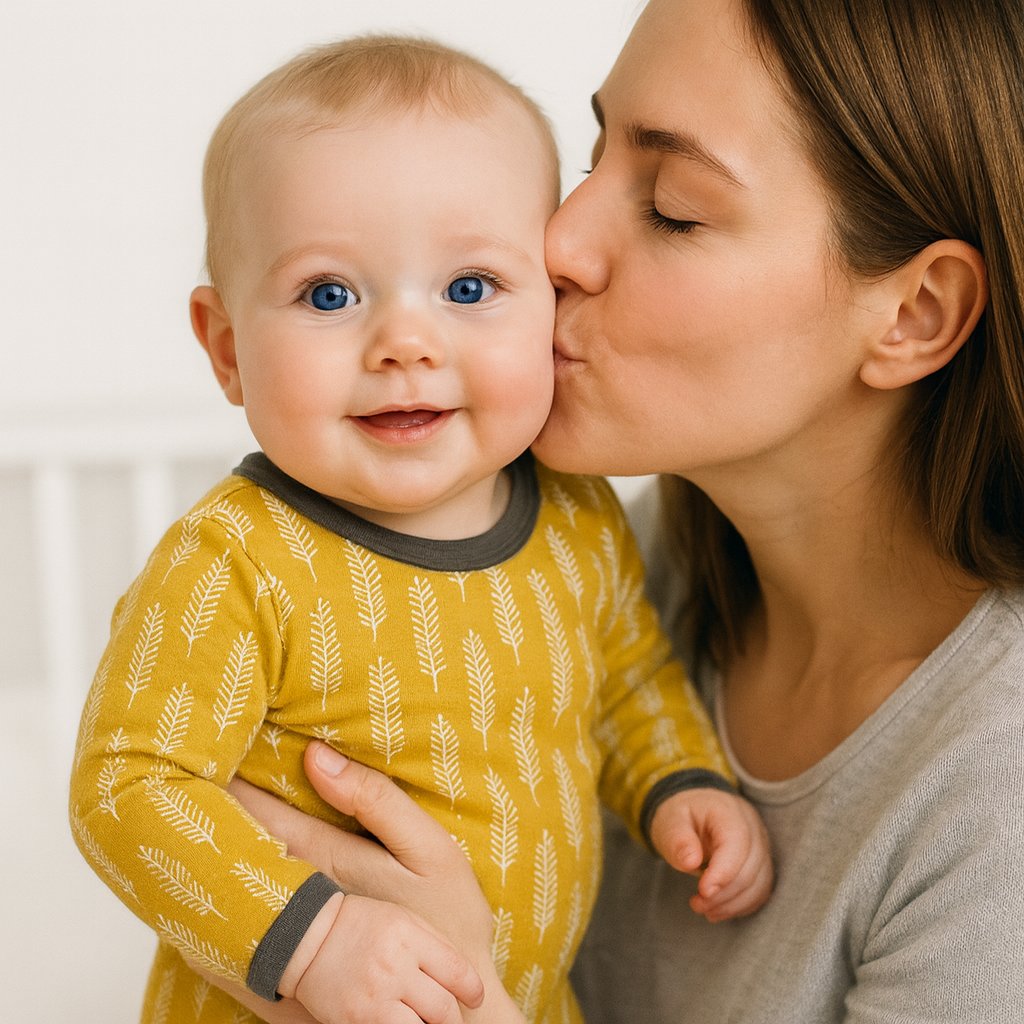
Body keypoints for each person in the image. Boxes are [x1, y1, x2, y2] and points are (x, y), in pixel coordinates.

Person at [204, 0, 1024, 1020]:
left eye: (674, 207)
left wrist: (457, 991)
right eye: (593, 158)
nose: (556, 243)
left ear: (913, 314)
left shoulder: (992, 806)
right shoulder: (612, 573)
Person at [68, 32, 773, 1024]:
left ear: (551, 306)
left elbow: (624, 682)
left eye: (469, 288)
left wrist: (675, 781)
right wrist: (314, 938)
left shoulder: (576, 516)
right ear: (226, 348)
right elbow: (128, 788)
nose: (405, 343)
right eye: (328, 294)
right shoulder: (233, 561)